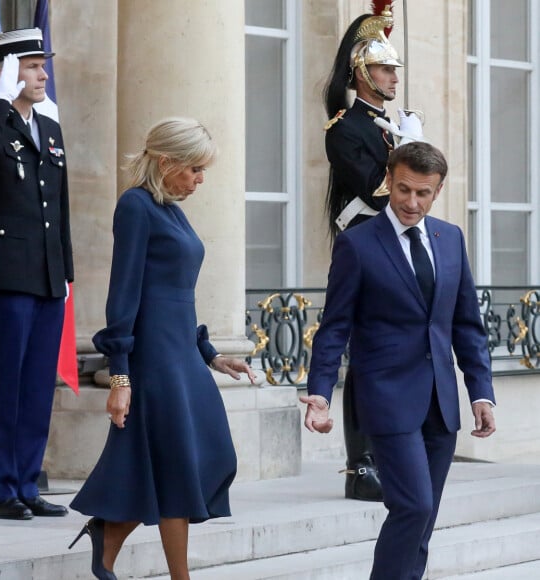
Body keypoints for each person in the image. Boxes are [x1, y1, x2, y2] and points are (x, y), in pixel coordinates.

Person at [69, 117, 256, 580]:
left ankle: (108, 532)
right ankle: (179, 575)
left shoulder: (171, 209)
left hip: (183, 357)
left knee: (213, 457)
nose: (200, 180)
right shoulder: (135, 207)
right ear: (167, 161)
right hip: (153, 359)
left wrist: (209, 352)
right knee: (178, 467)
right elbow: (125, 294)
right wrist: (119, 376)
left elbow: (176, 294)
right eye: (193, 169)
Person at [301, 141, 496, 579]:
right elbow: (334, 326)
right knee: (413, 505)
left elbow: (466, 325)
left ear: (438, 190)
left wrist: (481, 392)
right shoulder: (357, 244)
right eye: (403, 189)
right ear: (388, 180)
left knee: (422, 521)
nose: (411, 202)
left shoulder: (450, 239)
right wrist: (319, 392)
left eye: (422, 193)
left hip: (441, 402)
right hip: (387, 398)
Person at [0, 28, 72, 520]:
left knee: (35, 385)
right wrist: (0, 97)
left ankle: (27, 482)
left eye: (42, 64)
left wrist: (65, 273)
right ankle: (2, 490)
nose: (42, 74)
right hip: (7, 275)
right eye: (30, 65)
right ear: (6, 71)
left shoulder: (49, 130)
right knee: (6, 383)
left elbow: (60, 207)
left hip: (47, 275)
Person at [321, 4, 418, 502]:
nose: (393, 76)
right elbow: (374, 190)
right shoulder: (344, 128)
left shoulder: (396, 123)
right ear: (362, 71)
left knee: (401, 351)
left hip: (398, 243)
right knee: (365, 359)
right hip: (365, 245)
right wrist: (407, 155)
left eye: (394, 68)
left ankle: (393, 453)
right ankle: (361, 466)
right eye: (384, 68)